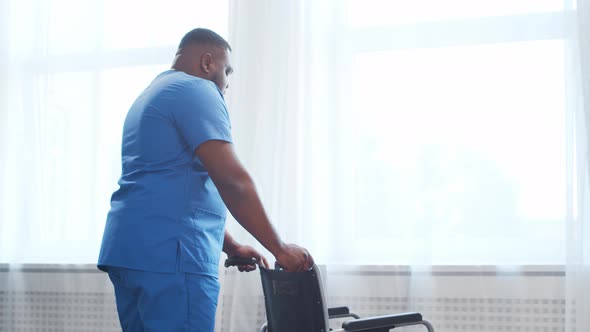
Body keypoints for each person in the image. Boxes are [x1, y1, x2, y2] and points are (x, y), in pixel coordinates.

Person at [97, 28, 314, 332]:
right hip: (172, 258)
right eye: (228, 71)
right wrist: (280, 249)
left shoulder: (149, 97)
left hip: (129, 252)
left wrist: (232, 246)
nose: (226, 84)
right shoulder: (196, 89)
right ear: (207, 62)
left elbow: (172, 186)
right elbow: (232, 182)